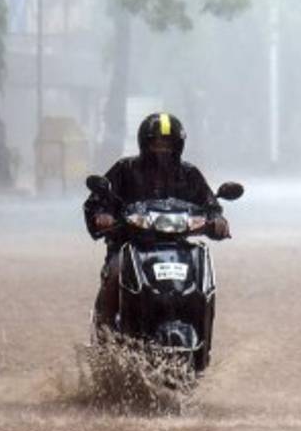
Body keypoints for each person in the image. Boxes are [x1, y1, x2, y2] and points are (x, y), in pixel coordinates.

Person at [83, 112, 229, 330]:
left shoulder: (189, 174)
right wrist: (102, 215)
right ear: (144, 143)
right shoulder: (125, 169)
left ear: (178, 145)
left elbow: (210, 204)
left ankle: (201, 329)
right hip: (130, 244)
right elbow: (98, 200)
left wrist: (217, 219)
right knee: (115, 273)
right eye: (157, 143)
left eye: (168, 143)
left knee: (203, 275)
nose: (162, 149)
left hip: (179, 246)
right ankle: (105, 330)